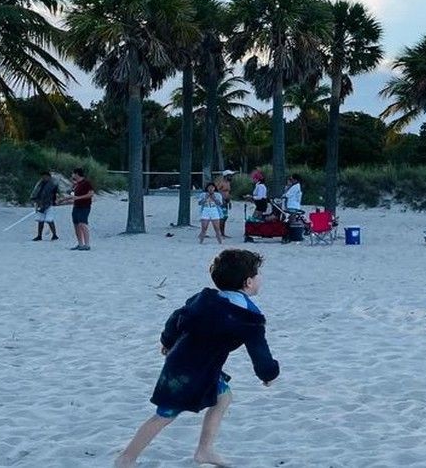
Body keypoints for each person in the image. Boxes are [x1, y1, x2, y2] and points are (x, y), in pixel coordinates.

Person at [113, 249, 280, 467]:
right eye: (258, 274)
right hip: (188, 371)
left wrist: (167, 341)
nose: (260, 278)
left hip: (189, 362)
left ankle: (205, 450)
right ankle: (126, 459)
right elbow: (259, 351)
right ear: (248, 282)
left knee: (223, 397)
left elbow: (176, 318)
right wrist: (268, 374)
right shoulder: (249, 318)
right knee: (165, 414)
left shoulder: (204, 298)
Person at [57, 167, 94, 251]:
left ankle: (87, 244)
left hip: (85, 206)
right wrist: (62, 200)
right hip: (76, 206)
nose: (72, 175)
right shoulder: (76, 184)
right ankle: (80, 244)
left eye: (73, 173)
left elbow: (91, 194)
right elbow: (72, 196)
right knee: (76, 224)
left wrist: (79, 198)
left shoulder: (86, 183)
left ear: (77, 174)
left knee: (82, 223)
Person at [29, 170, 60, 242]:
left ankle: (54, 235)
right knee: (40, 220)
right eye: (43, 176)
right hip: (40, 203)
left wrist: (47, 203)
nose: (43, 178)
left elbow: (52, 195)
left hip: (49, 204)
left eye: (45, 176)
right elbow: (36, 192)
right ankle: (39, 236)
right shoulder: (40, 183)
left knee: (49, 220)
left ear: (48, 176)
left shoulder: (52, 184)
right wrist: (35, 200)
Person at [216, 171, 235, 237]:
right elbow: (216, 191)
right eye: (229, 176)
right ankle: (221, 233)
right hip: (222, 202)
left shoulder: (228, 183)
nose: (231, 177)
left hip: (226, 201)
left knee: (225, 217)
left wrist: (229, 202)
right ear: (226, 176)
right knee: (222, 217)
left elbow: (228, 193)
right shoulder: (221, 183)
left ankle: (222, 233)